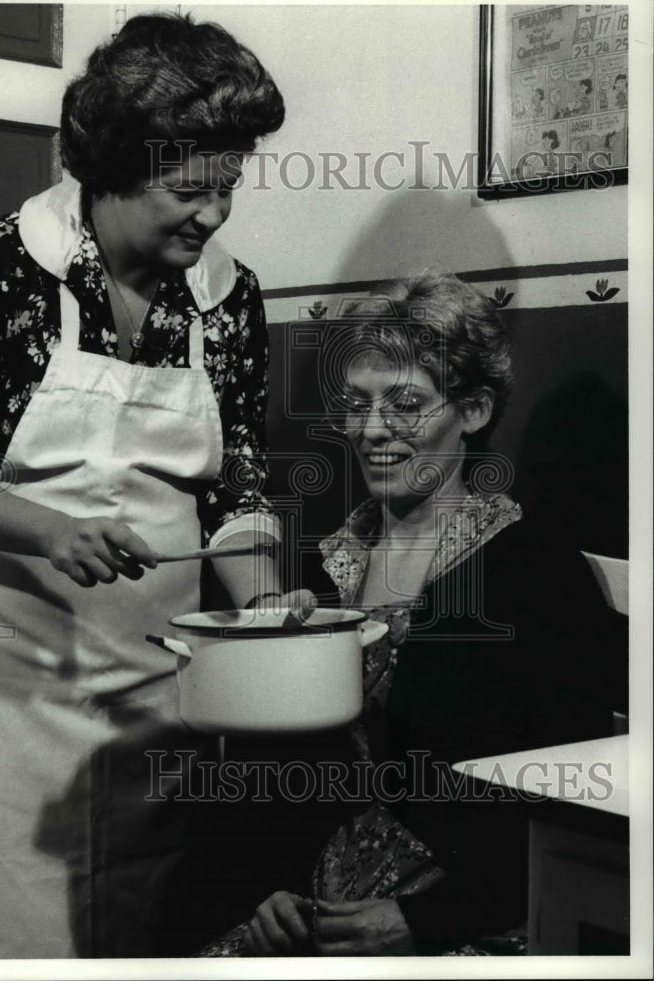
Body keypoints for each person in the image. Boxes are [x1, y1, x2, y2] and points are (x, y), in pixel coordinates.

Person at [0, 12, 295, 958]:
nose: (213, 215)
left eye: (229, 187)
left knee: (161, 931)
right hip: (31, 698)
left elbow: (235, 486)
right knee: (37, 936)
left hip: (175, 702)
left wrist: (269, 615)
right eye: (189, 190)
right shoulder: (10, 268)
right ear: (112, 165)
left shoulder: (228, 297)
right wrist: (45, 529)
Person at [201, 270, 617, 957]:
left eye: (404, 404)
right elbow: (262, 778)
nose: (371, 430)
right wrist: (266, 891)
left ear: (474, 411)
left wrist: (421, 921)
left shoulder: (534, 575)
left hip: (466, 917)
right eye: (356, 404)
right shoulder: (322, 572)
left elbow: (566, 808)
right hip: (312, 911)